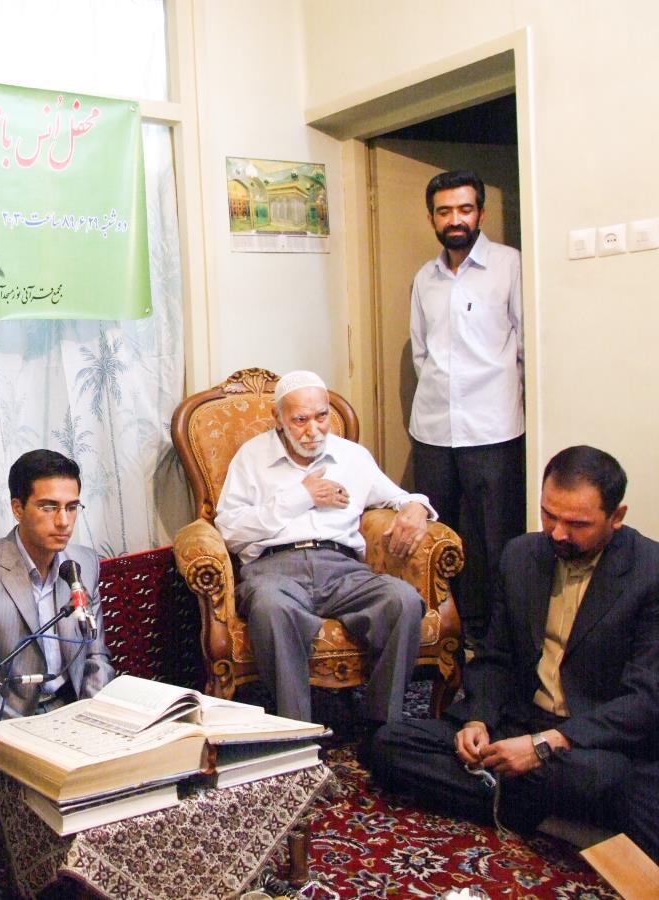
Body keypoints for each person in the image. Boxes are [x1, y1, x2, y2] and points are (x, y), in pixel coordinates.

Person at [367, 446, 659, 857]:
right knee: (389, 744)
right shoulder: (522, 555)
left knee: (601, 779)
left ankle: (517, 801)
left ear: (617, 516)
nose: (558, 533)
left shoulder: (649, 572)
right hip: (520, 722)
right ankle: (552, 818)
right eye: (549, 515)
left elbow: (644, 701)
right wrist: (479, 718)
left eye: (577, 524)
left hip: (590, 742)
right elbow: (496, 657)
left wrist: (545, 746)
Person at [215, 370, 434, 729]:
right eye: (300, 420)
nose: (313, 430)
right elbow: (229, 529)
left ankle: (384, 730)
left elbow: (398, 496)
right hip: (275, 570)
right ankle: (296, 733)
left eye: (322, 416)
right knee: (271, 608)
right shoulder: (251, 458)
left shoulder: (352, 457)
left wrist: (417, 507)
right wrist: (302, 497)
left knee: (403, 601)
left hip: (343, 570)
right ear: (278, 419)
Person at [0, 449, 115, 791]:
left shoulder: (83, 563)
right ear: (18, 508)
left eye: (72, 507)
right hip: (11, 725)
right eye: (49, 507)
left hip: (74, 715)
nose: (63, 521)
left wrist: (96, 726)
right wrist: (31, 745)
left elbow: (96, 657)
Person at [409, 169, 525, 644]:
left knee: (496, 541)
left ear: (480, 212)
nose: (454, 220)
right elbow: (421, 353)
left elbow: (527, 348)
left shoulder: (510, 266)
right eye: (444, 212)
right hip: (434, 430)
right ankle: (447, 637)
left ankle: (498, 642)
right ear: (432, 218)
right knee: (439, 539)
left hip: (493, 429)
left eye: (464, 209)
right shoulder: (425, 277)